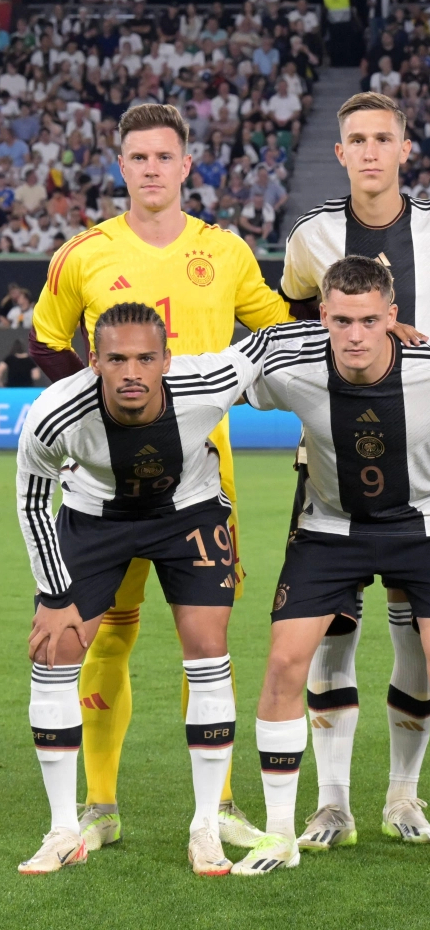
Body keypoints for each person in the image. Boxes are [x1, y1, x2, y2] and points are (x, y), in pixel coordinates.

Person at [28, 103, 289, 854]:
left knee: (205, 640)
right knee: (106, 636)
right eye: (137, 157)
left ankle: (220, 806)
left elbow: (274, 333)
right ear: (121, 166)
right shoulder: (82, 254)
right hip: (105, 490)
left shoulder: (226, 251)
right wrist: (91, 422)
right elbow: (48, 342)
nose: (151, 169)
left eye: (163, 156)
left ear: (185, 166)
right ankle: (100, 806)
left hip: (202, 484)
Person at [232, 257, 430, 878]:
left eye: (370, 321)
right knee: (284, 664)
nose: (355, 336)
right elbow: (218, 379)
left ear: (392, 318)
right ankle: (280, 834)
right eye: (342, 321)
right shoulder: (292, 371)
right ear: (322, 317)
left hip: (425, 526)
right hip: (330, 528)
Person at [279, 91, 430, 850]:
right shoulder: (312, 235)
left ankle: (403, 794)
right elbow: (296, 315)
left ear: (404, 148)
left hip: (425, 468)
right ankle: (332, 802)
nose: (369, 151)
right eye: (355, 138)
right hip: (330, 464)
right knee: (332, 633)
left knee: (419, 640)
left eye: (382, 138)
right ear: (340, 151)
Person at [16, 303, 267, 875]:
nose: (132, 372)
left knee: (208, 647)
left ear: (167, 360)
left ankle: (205, 826)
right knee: (54, 650)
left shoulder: (206, 383)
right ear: (93, 362)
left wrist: (375, 329)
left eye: (146, 359)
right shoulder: (55, 413)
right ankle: (63, 830)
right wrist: (55, 598)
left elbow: (265, 347)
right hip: (95, 516)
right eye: (117, 359)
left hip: (188, 510)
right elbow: (32, 502)